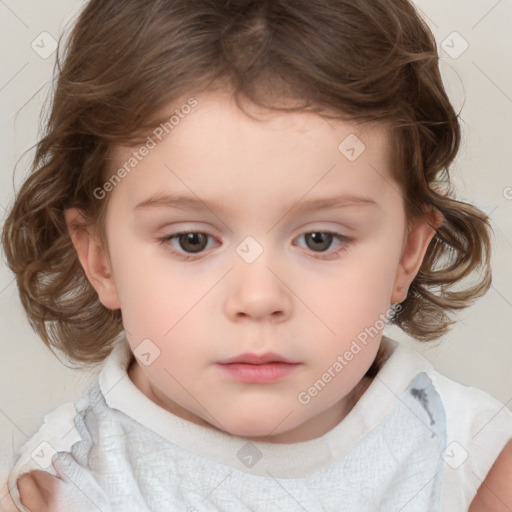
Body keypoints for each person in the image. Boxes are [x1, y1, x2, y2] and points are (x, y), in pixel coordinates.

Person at [2, 0, 511, 510]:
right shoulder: (62, 485)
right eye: (192, 240)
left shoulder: (475, 463)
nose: (259, 297)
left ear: (406, 254)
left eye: (320, 239)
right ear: (100, 260)